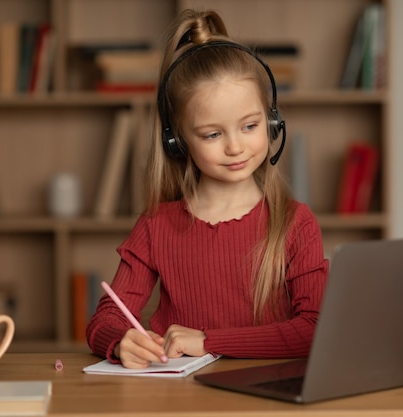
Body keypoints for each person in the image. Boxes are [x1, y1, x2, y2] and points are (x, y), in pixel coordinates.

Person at [86, 8, 328, 369]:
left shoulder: (296, 223)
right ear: (178, 142)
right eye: (213, 134)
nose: (235, 147)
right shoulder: (156, 225)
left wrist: (209, 341)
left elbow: (314, 330)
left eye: (249, 126)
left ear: (273, 121)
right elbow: (104, 319)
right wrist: (121, 342)